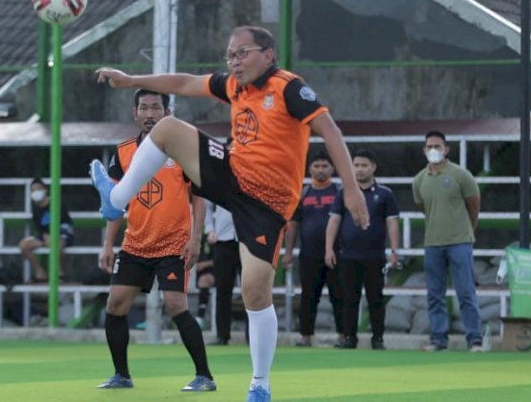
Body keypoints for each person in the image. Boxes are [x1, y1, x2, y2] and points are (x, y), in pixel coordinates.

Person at [90, 25, 369, 402]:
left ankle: (260, 384)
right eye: (230, 55)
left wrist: (351, 188)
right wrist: (131, 80)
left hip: (268, 205)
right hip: (232, 174)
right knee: (168, 127)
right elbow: (186, 82)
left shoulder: (288, 87)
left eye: (242, 53)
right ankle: (117, 198)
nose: (234, 62)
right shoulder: (233, 86)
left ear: (267, 55)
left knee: (255, 292)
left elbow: (330, 131)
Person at [97, 89, 214, 391]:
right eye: (144, 108)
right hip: (136, 244)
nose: (150, 114)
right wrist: (108, 245)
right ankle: (121, 375)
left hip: (173, 245)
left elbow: (200, 196)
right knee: (115, 305)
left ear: (167, 112)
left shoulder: (180, 149)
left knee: (176, 304)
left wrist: (195, 238)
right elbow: (114, 203)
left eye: (156, 108)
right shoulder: (123, 152)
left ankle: (204, 376)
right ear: (135, 113)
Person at [413, 130, 483, 352]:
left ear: (447, 149)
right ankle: (439, 339)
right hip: (432, 243)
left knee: (465, 292)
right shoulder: (419, 180)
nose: (433, 150)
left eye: (437, 146)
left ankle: (474, 339)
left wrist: (467, 230)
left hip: (460, 242)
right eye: (429, 147)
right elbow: (423, 207)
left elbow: (474, 204)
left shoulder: (461, 175)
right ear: (424, 150)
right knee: (435, 294)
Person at [324, 150, 400, 350]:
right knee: (349, 298)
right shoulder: (344, 193)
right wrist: (328, 249)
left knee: (376, 298)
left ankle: (378, 338)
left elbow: (392, 223)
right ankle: (350, 338)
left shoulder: (385, 194)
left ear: (373, 167)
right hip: (348, 255)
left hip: (375, 256)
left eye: (363, 165)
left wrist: (394, 250)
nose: (359, 169)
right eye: (356, 165)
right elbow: (334, 220)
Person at [284, 150, 345, 347]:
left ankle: (343, 336)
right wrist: (288, 252)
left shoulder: (339, 192)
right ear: (309, 168)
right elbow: (292, 225)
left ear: (332, 169)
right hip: (308, 254)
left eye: (324, 166)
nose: (320, 170)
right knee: (308, 297)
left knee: (339, 295)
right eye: (317, 166)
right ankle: (305, 336)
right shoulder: (302, 193)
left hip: (336, 254)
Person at [19, 178, 75, 282]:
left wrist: (54, 235)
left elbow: (67, 224)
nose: (36, 192)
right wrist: (45, 236)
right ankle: (40, 273)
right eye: (33, 190)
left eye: (38, 189)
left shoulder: (57, 204)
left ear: (45, 190)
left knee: (56, 243)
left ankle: (61, 274)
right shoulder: (35, 210)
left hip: (62, 234)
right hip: (45, 236)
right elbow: (39, 229)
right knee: (24, 245)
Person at [205, 198, 244, 345]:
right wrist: (209, 229)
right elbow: (206, 204)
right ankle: (222, 335)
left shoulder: (252, 176)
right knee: (222, 290)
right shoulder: (219, 176)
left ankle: (253, 336)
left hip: (247, 239)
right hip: (223, 240)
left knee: (251, 289)